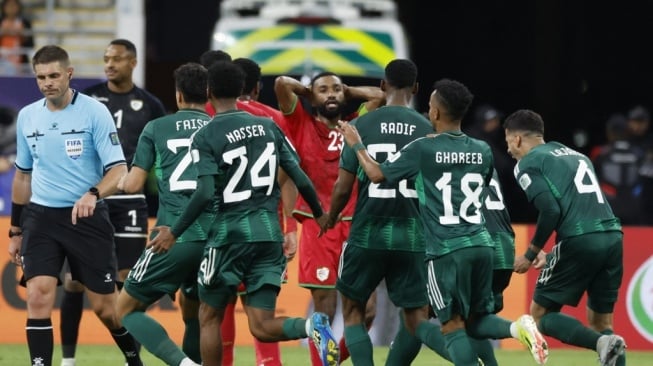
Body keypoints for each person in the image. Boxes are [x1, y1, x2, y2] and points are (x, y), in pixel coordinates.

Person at [337, 78, 549, 366]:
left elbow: (375, 174)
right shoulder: (483, 150)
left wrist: (356, 143)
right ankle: (515, 327)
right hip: (483, 244)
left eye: (430, 106)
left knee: (451, 328)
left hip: (446, 250)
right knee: (474, 321)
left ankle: (510, 333)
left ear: (435, 113)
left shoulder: (424, 148)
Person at [146, 60, 339, 366]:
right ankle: (309, 325)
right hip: (268, 234)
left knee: (207, 316)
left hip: (228, 236)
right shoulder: (269, 126)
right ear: (242, 91)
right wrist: (319, 215)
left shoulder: (206, 134)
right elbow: (298, 174)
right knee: (261, 325)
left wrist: (175, 231)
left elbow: (205, 192)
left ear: (208, 91)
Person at [7, 44, 143, 366]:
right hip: (41, 218)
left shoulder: (94, 112)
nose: (47, 83)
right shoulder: (28, 116)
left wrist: (93, 194)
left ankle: (133, 359)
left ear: (69, 74)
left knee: (106, 310)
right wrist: (15, 229)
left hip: (87, 218)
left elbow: (119, 170)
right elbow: (23, 177)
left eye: (54, 75)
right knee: (39, 294)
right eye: (41, 77)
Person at [320, 58, 442, 366]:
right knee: (416, 318)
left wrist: (331, 218)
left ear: (383, 86)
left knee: (352, 311)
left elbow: (343, 187)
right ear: (416, 88)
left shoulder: (361, 125)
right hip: (413, 234)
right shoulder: (430, 130)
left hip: (367, 230)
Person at [59, 38, 166, 366]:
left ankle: (131, 358)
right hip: (91, 199)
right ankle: (68, 360)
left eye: (116, 59)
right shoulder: (87, 98)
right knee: (73, 280)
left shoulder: (149, 105)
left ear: (132, 62)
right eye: (106, 59)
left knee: (128, 280)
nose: (109, 64)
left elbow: (162, 158)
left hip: (131, 201)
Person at [274, 69, 384, 365]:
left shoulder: (355, 125)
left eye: (336, 89)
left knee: (369, 309)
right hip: (319, 225)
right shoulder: (300, 123)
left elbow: (379, 96)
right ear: (312, 96)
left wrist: (347, 90)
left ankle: (333, 360)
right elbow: (282, 84)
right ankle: (321, 363)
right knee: (325, 310)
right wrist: (309, 92)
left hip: (357, 226)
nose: (332, 94)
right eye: (324, 89)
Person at [506, 109, 627, 366]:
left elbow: (551, 210)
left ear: (517, 139)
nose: (509, 150)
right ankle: (605, 342)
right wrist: (552, 254)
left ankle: (599, 343)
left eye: (508, 142)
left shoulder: (527, 163)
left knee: (539, 316)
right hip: (612, 235)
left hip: (580, 238)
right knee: (602, 323)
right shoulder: (575, 154)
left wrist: (530, 254)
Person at [114, 62, 211, 366]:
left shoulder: (156, 127)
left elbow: (132, 185)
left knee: (124, 310)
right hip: (216, 237)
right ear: (207, 93)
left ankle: (183, 364)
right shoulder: (220, 127)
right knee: (194, 315)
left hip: (172, 237)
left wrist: (109, 178)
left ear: (178, 95)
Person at [384, 167, 516, 366]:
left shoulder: (438, 157)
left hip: (460, 245)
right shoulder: (480, 155)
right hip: (499, 247)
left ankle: (470, 361)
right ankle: (515, 329)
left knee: (417, 314)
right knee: (473, 319)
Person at [591, 113, 645, 225]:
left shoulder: (600, 153)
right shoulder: (639, 153)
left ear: (609, 132)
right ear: (626, 131)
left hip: (608, 207)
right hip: (634, 206)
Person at [0, 0, 33, 75]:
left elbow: (30, 44)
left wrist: (22, 34)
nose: (11, 8)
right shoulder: (1, 22)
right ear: (4, 7)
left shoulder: (25, 23)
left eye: (14, 6)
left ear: (19, 7)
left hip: (20, 61)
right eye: (9, 6)